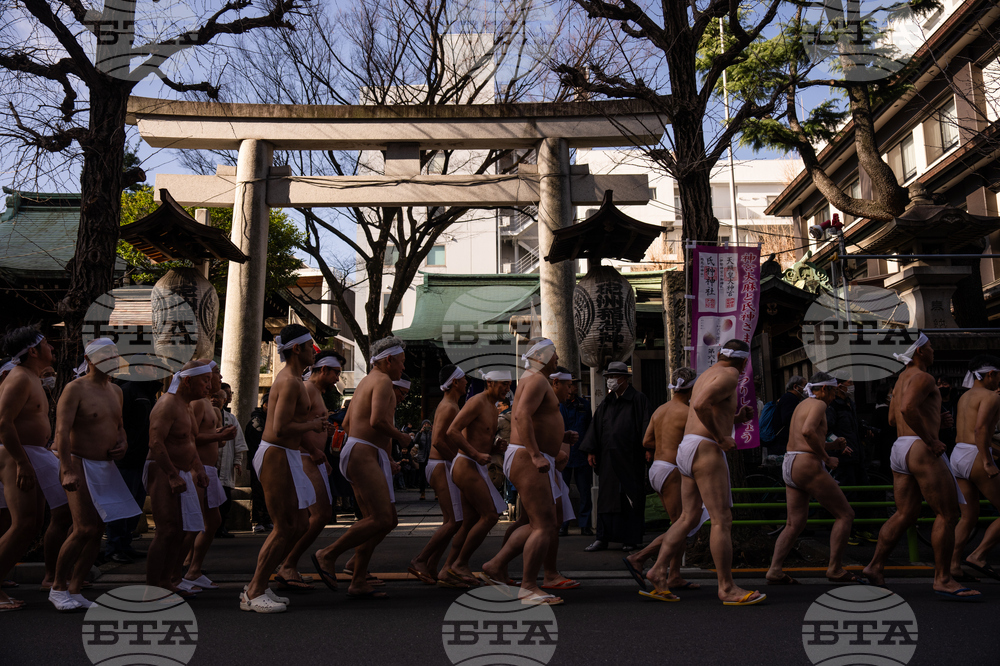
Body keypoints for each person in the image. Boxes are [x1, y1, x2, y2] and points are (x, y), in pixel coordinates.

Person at [641, 339, 765, 606]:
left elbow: (703, 408)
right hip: (705, 448)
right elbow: (699, 406)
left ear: (719, 354)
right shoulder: (730, 374)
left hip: (687, 447)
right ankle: (726, 587)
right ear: (744, 362)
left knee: (687, 517)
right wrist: (721, 437)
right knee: (722, 519)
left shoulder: (707, 374)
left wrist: (735, 419)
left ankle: (658, 570)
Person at [861, 334, 981, 599]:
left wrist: (934, 417)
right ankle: (943, 579)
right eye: (930, 346)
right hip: (920, 447)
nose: (933, 350)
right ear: (918, 352)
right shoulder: (923, 377)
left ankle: (874, 566)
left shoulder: (900, 380)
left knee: (905, 513)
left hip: (900, 447)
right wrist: (931, 438)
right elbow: (907, 409)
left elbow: (893, 419)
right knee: (948, 514)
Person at [51, 339, 143, 610]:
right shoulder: (74, 388)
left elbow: (119, 426)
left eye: (114, 354)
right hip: (78, 462)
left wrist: (123, 442)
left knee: (97, 529)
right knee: (84, 528)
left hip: (106, 466)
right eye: (105, 355)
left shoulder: (116, 390)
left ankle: (76, 588)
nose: (112, 358)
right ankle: (57, 587)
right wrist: (66, 470)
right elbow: (61, 432)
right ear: (89, 359)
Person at [313, 336, 407, 599]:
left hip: (359, 450)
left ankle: (357, 577)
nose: (403, 367)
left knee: (383, 520)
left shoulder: (367, 381)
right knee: (382, 519)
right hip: (362, 453)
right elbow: (377, 421)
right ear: (389, 360)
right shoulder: (383, 381)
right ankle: (327, 554)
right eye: (401, 362)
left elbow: (346, 425)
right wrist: (401, 437)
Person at [245, 325, 328, 612]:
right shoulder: (290, 382)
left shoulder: (294, 380)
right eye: (310, 347)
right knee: (283, 527)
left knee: (300, 524)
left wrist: (312, 445)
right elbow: (280, 428)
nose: (314, 352)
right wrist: (313, 425)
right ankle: (254, 591)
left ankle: (259, 584)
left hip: (287, 454)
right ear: (296, 349)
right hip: (277, 455)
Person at [480, 337, 569, 606]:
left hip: (529, 455)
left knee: (536, 523)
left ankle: (496, 566)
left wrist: (560, 436)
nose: (556, 359)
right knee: (544, 525)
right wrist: (535, 454)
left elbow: (535, 418)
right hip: (527, 457)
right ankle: (528, 587)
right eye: (553, 354)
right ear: (540, 356)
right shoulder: (536, 379)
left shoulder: (534, 379)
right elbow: (521, 416)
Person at [766, 371, 863, 585]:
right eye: (834, 391)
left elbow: (806, 437)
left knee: (794, 523)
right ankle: (835, 569)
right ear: (825, 389)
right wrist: (827, 458)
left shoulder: (802, 404)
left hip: (791, 463)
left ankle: (775, 570)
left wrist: (832, 446)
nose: (835, 396)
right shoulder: (819, 404)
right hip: (807, 464)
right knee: (845, 514)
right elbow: (808, 432)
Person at [0, 328, 68, 612]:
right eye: (46, 344)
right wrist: (22, 463)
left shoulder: (31, 377)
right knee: (23, 524)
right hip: (18, 455)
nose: (52, 347)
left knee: (33, 523)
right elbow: (3, 423)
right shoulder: (18, 378)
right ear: (32, 351)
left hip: (33, 454)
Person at [624, 367, 701, 592]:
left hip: (657, 468)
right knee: (682, 525)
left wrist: (666, 443)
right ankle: (639, 557)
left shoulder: (660, 410)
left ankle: (674, 575)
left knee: (678, 523)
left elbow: (646, 441)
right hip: (672, 470)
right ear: (692, 388)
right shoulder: (688, 413)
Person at [275, 350, 343, 590]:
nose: (337, 378)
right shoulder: (306, 388)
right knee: (320, 514)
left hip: (312, 457)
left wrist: (321, 446)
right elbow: (291, 424)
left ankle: (287, 564)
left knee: (303, 520)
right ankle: (287, 564)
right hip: (304, 457)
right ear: (323, 369)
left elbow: (311, 424)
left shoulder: (315, 392)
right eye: (336, 373)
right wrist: (313, 451)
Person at [145, 361, 211, 598]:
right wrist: (172, 475)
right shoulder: (167, 404)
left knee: (181, 530)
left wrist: (198, 469)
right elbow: (155, 443)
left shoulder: (188, 406)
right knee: (166, 530)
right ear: (188, 381)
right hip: (163, 470)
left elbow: (189, 443)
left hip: (182, 470)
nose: (209, 386)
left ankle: (167, 581)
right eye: (205, 380)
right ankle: (152, 588)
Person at [445, 370, 512, 583]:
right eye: (503, 384)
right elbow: (452, 431)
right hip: (466, 464)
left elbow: (479, 438)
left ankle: (447, 569)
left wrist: (494, 448)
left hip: (474, 464)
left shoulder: (493, 406)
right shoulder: (476, 401)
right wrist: (475, 454)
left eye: (509, 384)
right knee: (490, 516)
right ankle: (460, 564)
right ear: (489, 383)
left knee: (470, 522)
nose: (507, 388)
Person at [579, 361, 652, 552]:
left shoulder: (638, 399)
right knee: (606, 498)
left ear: (624, 379)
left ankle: (630, 539)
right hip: (608, 458)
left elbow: (646, 423)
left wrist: (648, 447)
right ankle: (602, 538)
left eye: (614, 377)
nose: (610, 380)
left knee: (629, 497)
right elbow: (596, 427)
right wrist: (591, 450)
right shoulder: (607, 402)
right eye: (608, 377)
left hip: (631, 457)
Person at [180, 362, 237, 592]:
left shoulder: (211, 407)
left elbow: (214, 440)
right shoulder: (196, 404)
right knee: (193, 524)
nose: (218, 379)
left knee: (212, 522)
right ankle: (176, 572)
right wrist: (217, 436)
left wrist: (220, 435)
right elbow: (188, 438)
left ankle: (194, 570)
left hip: (209, 469)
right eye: (215, 375)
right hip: (197, 468)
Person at [408, 365, 467, 587]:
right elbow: (438, 441)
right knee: (455, 521)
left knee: (450, 521)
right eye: (463, 379)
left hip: (442, 464)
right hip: (441, 464)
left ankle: (432, 565)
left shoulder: (450, 405)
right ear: (455, 382)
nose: (467, 382)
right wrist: (458, 460)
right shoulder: (449, 406)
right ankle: (420, 560)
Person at [105, 355, 160, 563]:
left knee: (136, 504)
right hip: (126, 458)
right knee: (122, 503)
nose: (154, 369)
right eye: (150, 366)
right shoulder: (127, 390)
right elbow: (116, 422)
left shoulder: (149, 392)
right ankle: (114, 546)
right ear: (138, 369)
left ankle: (125, 544)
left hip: (142, 458)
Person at [950, 356, 1000, 581]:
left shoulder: (965, 396)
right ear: (991, 374)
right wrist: (988, 461)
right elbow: (980, 430)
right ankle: (978, 556)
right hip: (976, 455)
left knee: (968, 516)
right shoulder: (990, 397)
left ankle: (953, 566)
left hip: (958, 453)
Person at [825, 376, 873, 545]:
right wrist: (838, 446)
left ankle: (862, 528)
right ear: (839, 385)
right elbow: (827, 430)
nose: (852, 386)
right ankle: (848, 532)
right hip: (843, 458)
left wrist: (864, 431)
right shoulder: (832, 406)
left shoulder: (850, 404)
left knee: (864, 492)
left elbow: (853, 427)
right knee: (848, 494)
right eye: (850, 383)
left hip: (857, 455)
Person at [558, 372, 592, 536]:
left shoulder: (584, 405)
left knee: (585, 490)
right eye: (571, 384)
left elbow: (589, 428)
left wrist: (590, 450)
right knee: (562, 490)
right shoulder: (559, 405)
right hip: (562, 452)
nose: (574, 387)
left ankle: (585, 524)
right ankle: (563, 524)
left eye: (576, 384)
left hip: (581, 452)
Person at [215, 388, 247, 539]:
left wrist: (237, 461)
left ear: (224, 400)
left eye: (218, 397)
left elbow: (238, 442)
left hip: (226, 463)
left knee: (225, 499)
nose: (214, 400)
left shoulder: (231, 418)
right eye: (212, 396)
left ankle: (221, 527)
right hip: (210, 463)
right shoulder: (204, 413)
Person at [245, 391, 271, 532]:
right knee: (258, 492)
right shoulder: (257, 421)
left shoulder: (270, 419)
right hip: (258, 462)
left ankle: (267, 519)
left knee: (269, 492)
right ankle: (257, 520)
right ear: (265, 404)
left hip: (270, 463)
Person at [772, 376, 806, 455]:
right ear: (796, 387)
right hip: (784, 441)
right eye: (804, 385)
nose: (806, 389)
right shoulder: (789, 398)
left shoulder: (790, 398)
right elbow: (788, 418)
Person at [413, 420, 432, 500]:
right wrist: (420, 432)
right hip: (422, 457)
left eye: (428, 424)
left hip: (431, 456)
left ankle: (436, 492)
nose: (426, 425)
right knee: (422, 475)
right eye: (425, 424)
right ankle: (422, 492)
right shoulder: (420, 434)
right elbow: (415, 441)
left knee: (433, 474)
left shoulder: (432, 433)